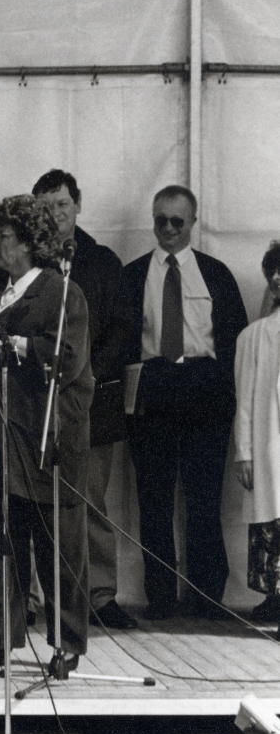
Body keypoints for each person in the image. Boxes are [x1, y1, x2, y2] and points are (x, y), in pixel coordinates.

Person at [0, 194, 94, 673]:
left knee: (57, 548)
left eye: (5, 238)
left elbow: (69, 358)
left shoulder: (62, 293)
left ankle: (68, 644)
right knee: (0, 543)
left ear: (30, 243)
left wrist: (14, 343)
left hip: (47, 440)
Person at [124, 185, 247, 620]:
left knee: (202, 500)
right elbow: (123, 345)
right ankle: (159, 596)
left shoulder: (215, 274)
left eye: (178, 221)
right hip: (153, 393)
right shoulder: (134, 275)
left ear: (192, 222)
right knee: (153, 500)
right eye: (161, 220)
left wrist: (226, 397)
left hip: (205, 395)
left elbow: (235, 342)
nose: (170, 229)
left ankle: (207, 596)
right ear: (153, 220)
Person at [32, 170, 135, 629]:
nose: (54, 216)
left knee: (88, 502)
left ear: (78, 205)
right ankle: (38, 598)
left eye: (62, 205)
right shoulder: (26, 262)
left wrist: (80, 378)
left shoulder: (104, 262)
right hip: (34, 405)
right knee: (34, 502)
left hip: (89, 407)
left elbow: (121, 333)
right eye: (46, 208)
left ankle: (100, 595)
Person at [234, 241, 280, 626]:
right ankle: (275, 596)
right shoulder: (254, 337)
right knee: (271, 517)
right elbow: (245, 399)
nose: (277, 278)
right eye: (273, 272)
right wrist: (244, 452)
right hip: (269, 448)